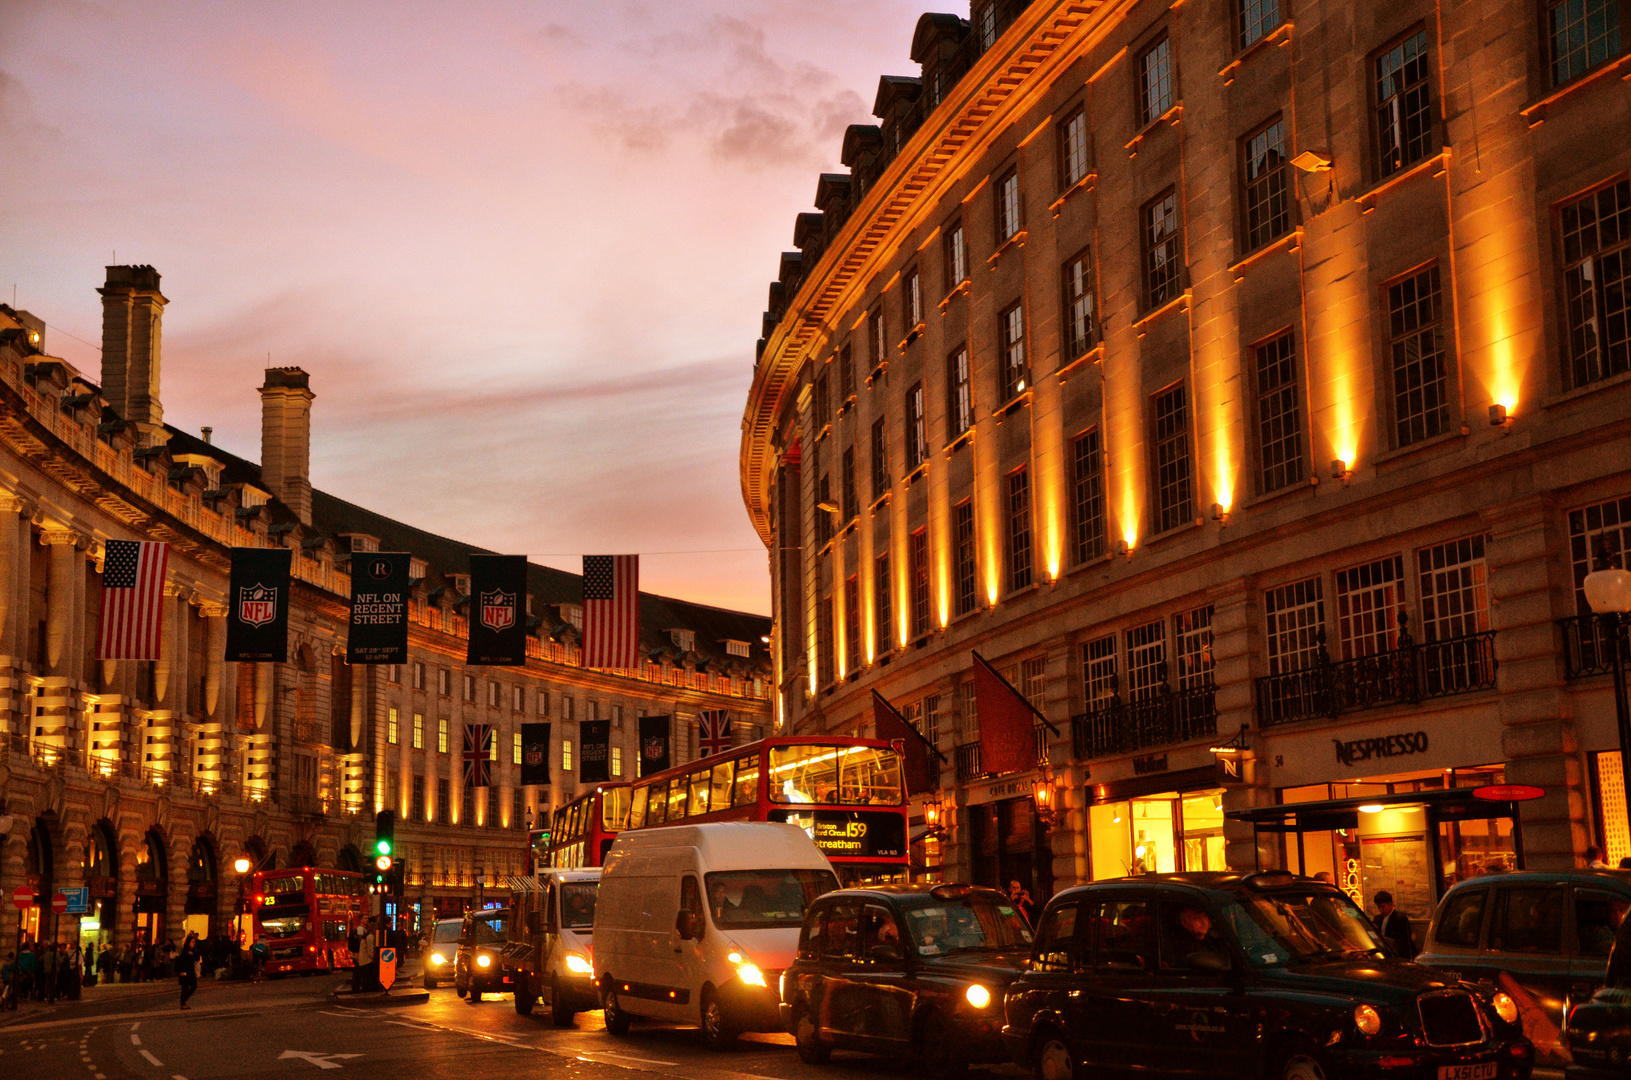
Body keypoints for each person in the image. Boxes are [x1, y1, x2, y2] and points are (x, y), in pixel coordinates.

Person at [1374, 891, 1415, 958]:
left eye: (1383, 907)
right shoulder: (1377, 918)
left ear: (1391, 904)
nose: (1381, 910)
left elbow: (1404, 941)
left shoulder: (1400, 918)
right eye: (1379, 907)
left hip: (1396, 953)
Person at [177, 933, 199, 1010]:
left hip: (190, 972)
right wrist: (181, 972)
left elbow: (197, 959)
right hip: (185, 972)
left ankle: (184, 1002)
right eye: (192, 942)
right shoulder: (185, 952)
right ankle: (183, 1003)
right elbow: (182, 962)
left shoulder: (192, 951)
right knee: (186, 987)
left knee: (192, 986)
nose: (194, 943)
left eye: (194, 942)